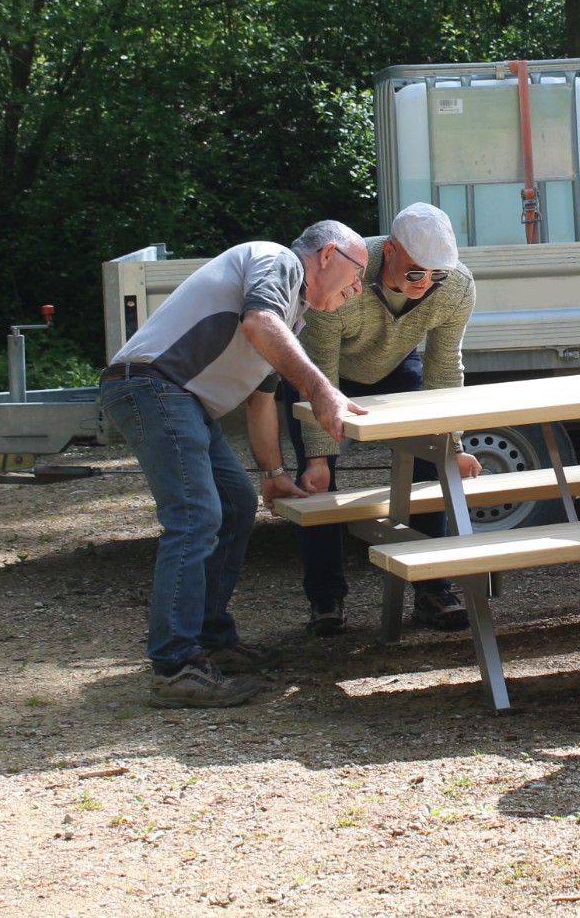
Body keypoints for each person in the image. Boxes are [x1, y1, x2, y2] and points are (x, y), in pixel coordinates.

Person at [99, 220, 369, 708]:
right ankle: (175, 665)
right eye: (357, 272)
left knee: (237, 502)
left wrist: (273, 474)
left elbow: (260, 400)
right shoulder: (277, 261)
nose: (358, 288)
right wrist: (321, 389)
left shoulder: (293, 313)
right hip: (154, 386)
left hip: (180, 399)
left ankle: (212, 639)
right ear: (328, 255)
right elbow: (257, 322)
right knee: (195, 516)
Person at [283, 202, 483, 635]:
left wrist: (453, 443)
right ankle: (326, 599)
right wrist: (319, 456)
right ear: (389, 250)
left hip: (394, 365)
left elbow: (445, 368)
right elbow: (321, 369)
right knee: (318, 484)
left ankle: (432, 590)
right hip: (321, 375)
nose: (425, 284)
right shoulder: (344, 272)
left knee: (432, 464)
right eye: (415, 272)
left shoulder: (457, 287)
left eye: (437, 274)